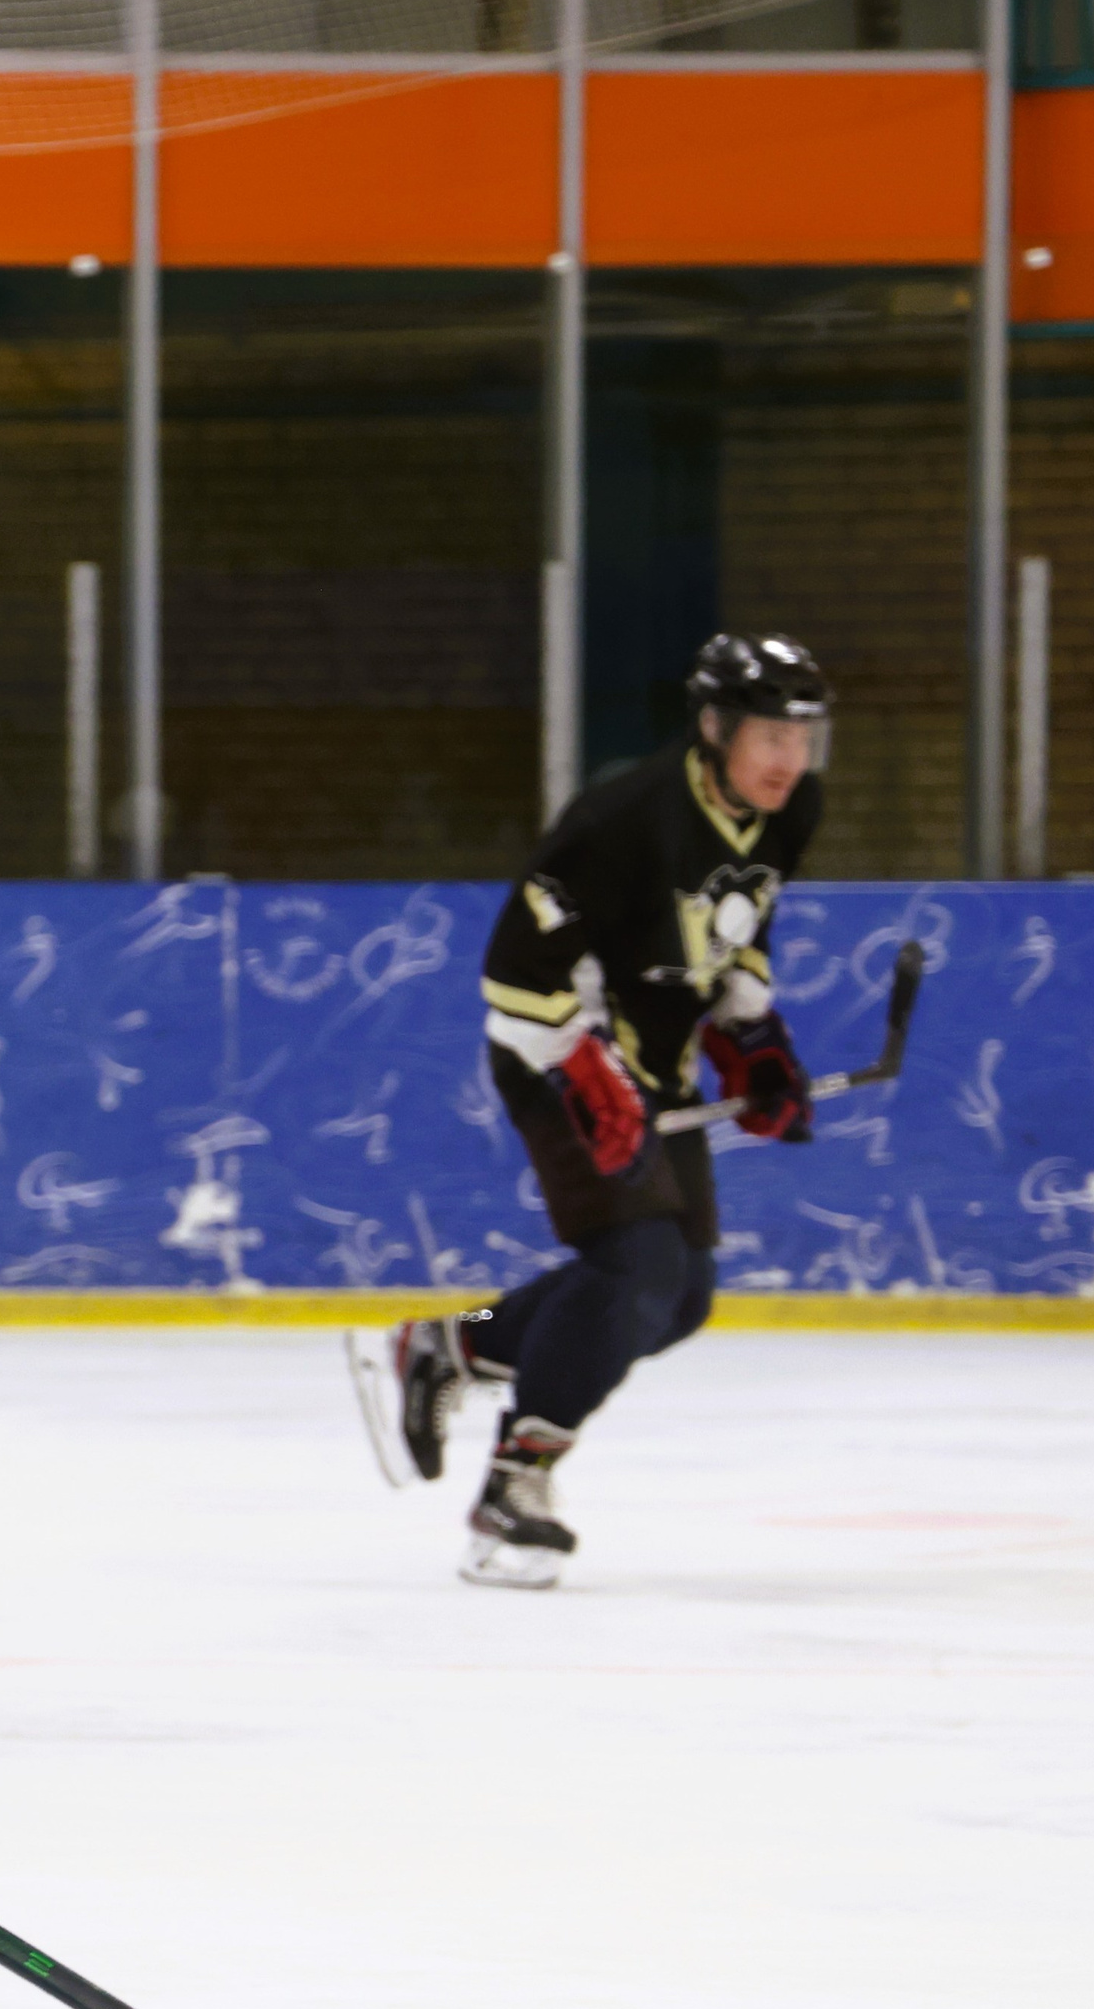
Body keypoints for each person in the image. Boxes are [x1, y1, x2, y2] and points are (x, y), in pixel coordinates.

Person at [349, 632, 830, 1585]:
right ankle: (511, 1492)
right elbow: (513, 972)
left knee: (681, 1296)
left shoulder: (789, 810)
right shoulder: (624, 818)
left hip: (657, 1064)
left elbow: (739, 922)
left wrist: (752, 1033)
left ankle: (449, 1344)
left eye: (801, 735)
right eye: (769, 734)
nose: (789, 757)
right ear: (714, 728)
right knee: (636, 1263)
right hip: (554, 1057)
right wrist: (586, 1070)